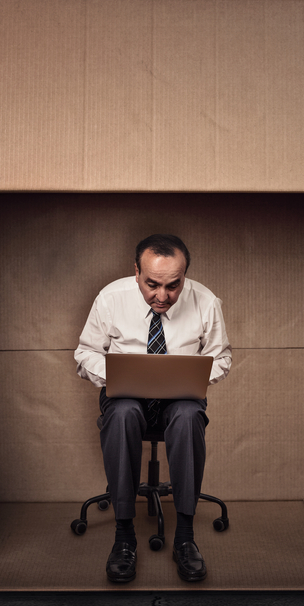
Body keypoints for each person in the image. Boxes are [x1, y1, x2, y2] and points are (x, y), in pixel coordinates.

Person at [74, 234, 232, 583]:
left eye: (173, 285)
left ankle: (186, 537)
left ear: (185, 276)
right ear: (136, 272)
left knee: (189, 416)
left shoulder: (205, 301)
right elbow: (84, 354)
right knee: (123, 413)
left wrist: (196, 376)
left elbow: (222, 357)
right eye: (152, 284)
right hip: (125, 398)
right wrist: (118, 374)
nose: (162, 296)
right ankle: (124, 536)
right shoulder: (110, 298)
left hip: (181, 400)